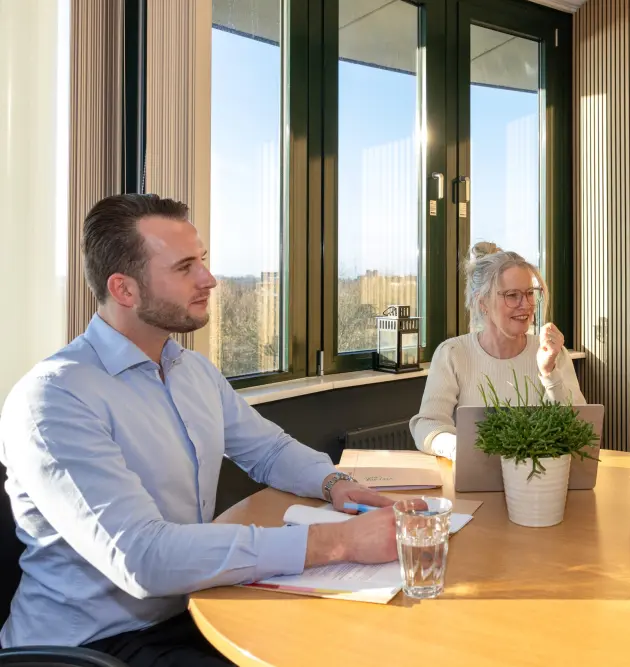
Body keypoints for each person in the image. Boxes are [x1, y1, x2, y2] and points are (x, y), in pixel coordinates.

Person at [0, 194, 400, 665]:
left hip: (195, 606)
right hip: (94, 645)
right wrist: (340, 542)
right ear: (124, 289)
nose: (209, 279)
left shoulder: (193, 371)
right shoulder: (55, 397)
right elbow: (142, 558)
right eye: (185, 267)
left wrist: (334, 482)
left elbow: (268, 450)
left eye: (203, 261)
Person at [410, 242, 585, 459]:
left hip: (541, 487)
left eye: (530, 293)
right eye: (512, 295)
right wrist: (460, 449)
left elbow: (579, 429)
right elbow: (428, 424)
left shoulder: (553, 354)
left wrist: (549, 373)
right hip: (473, 483)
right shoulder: (453, 354)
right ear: (482, 301)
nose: (526, 304)